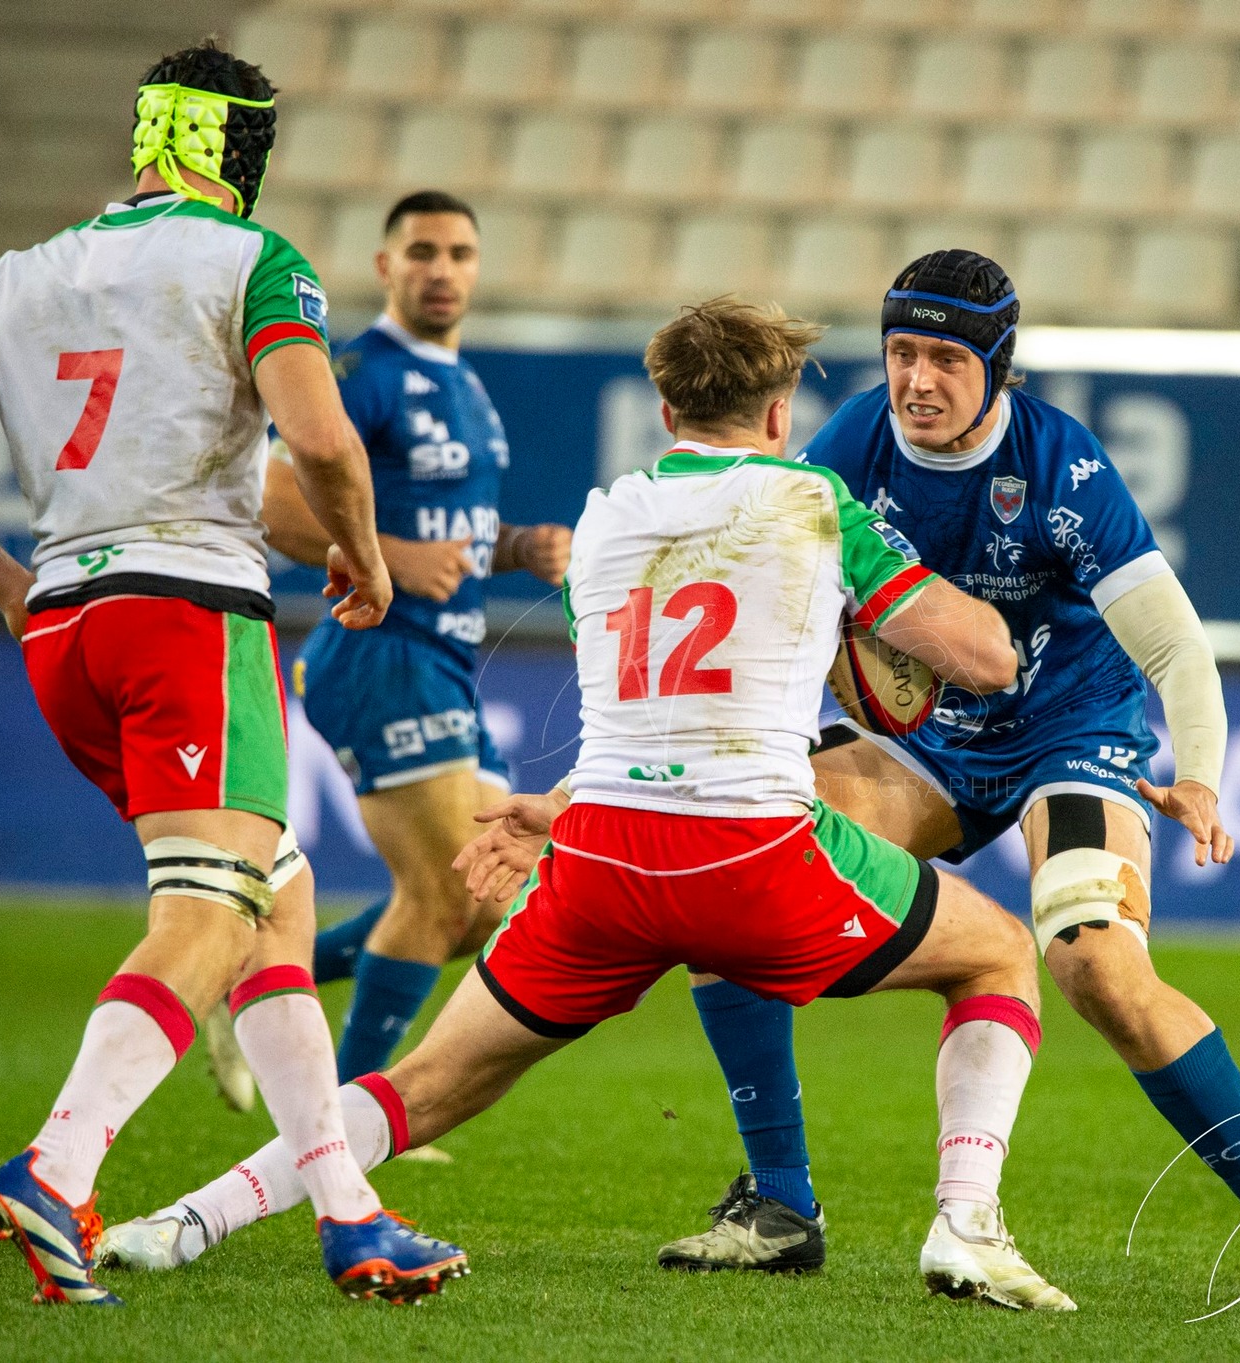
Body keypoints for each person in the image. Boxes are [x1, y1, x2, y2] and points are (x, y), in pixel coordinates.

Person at [98, 298, 1075, 1312]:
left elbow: (647, 711)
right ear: (781, 413)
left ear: (666, 412)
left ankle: (186, 1220)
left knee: (425, 1084)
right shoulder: (815, 500)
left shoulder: (604, 518)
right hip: (754, 856)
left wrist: (558, 804)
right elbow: (984, 658)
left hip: (600, 856)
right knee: (998, 953)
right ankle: (966, 1222)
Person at [0, 41, 462, 1306]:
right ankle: (56, 1165)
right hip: (187, 614)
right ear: (245, 149)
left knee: (275, 898)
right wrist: (364, 557)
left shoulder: (13, 276)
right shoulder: (254, 261)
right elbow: (319, 436)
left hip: (63, 626)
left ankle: (349, 1214)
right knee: (209, 914)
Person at [656, 252, 1240, 1307]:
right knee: (737, 873)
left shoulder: (1062, 466)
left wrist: (1201, 777)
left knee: (1096, 964)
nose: (917, 380)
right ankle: (780, 1205)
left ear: (998, 365)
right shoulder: (849, 445)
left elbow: (1175, 649)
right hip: (928, 739)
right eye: (901, 352)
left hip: (1068, 731)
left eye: (946, 357)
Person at [257, 189, 570, 1085]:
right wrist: (389, 557)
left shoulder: (464, 384)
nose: (442, 270)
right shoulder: (360, 373)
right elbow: (271, 499)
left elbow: (453, 535)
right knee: (440, 895)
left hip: (445, 661)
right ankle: (350, 1115)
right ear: (386, 266)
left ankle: (248, 972)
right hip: (380, 652)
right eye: (423, 251)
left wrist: (518, 546)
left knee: (480, 902)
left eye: (459, 253)